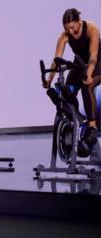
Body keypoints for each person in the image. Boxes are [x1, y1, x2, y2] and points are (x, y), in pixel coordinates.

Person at [43, 8, 101, 147]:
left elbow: (93, 55)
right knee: (66, 91)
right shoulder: (64, 36)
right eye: (67, 29)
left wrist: (89, 73)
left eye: (72, 28)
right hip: (80, 63)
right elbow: (56, 60)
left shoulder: (91, 29)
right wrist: (49, 79)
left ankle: (93, 127)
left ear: (79, 22)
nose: (70, 32)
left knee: (87, 87)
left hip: (98, 62)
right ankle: (75, 123)